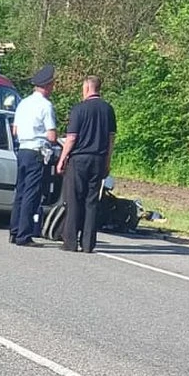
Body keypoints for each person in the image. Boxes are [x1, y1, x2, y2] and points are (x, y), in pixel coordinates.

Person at [56, 76, 116, 253]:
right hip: (98, 159)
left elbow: (72, 137)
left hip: (79, 159)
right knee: (92, 201)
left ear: (88, 88)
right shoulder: (108, 109)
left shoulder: (79, 109)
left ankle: (71, 242)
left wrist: (62, 159)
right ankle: (88, 243)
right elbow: (111, 139)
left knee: (74, 200)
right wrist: (107, 161)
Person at [9, 64, 58, 247]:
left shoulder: (23, 103)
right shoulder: (46, 106)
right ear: (47, 85)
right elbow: (52, 135)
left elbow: (15, 130)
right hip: (37, 151)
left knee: (20, 192)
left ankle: (14, 231)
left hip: (22, 150)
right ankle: (24, 234)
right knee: (31, 193)